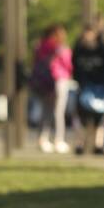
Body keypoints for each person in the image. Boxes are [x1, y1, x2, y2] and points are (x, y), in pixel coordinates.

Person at [72, 24, 104, 155]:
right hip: (84, 87)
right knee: (81, 116)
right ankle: (80, 143)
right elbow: (74, 67)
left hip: (100, 87)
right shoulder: (79, 50)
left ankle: (98, 144)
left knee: (101, 116)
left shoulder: (103, 50)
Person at [33, 24, 73, 153]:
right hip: (59, 80)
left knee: (46, 111)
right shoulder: (59, 48)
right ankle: (58, 139)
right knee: (58, 112)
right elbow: (68, 64)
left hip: (44, 82)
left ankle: (42, 139)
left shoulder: (40, 46)